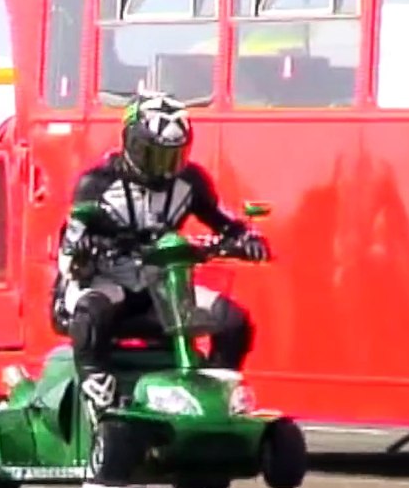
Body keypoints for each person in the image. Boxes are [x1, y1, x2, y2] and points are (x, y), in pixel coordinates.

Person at [52, 93, 270, 411]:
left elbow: (226, 222)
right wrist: (87, 250)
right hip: (105, 283)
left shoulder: (191, 182)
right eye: (152, 154)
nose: (163, 168)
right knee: (92, 311)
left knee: (232, 320)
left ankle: (216, 393)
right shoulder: (96, 184)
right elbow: (69, 248)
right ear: (130, 142)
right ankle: (96, 389)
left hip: (161, 286)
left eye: (172, 157)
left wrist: (247, 239)